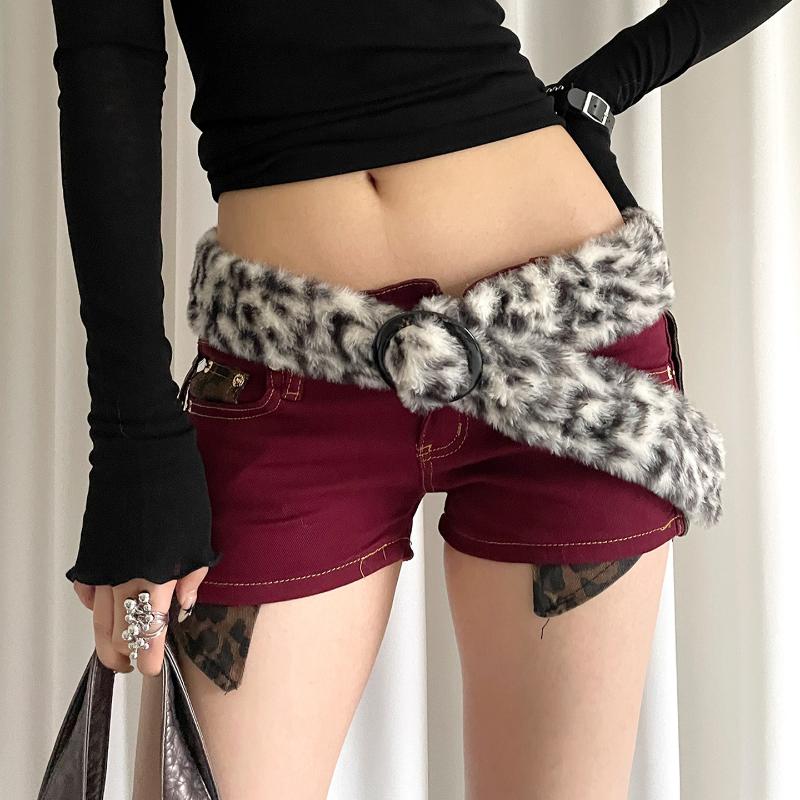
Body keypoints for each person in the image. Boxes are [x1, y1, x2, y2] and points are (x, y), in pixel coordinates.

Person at [48, 1, 790, 798]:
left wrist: (607, 84)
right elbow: (107, 57)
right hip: (284, 368)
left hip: (561, 346)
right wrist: (131, 439)